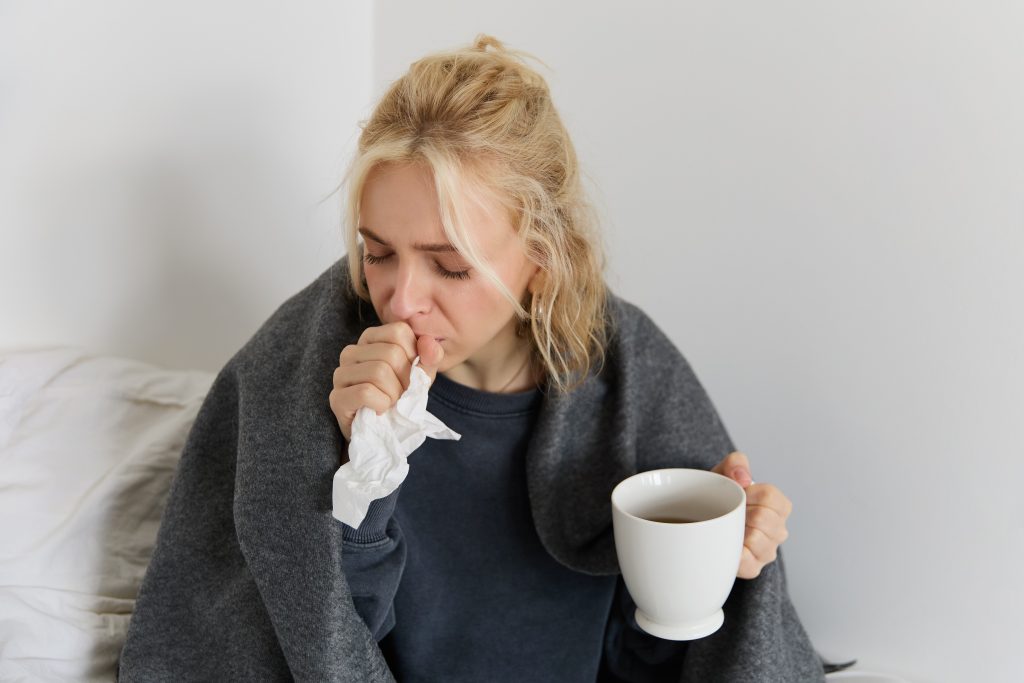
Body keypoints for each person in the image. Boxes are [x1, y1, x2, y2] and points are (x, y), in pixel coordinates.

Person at [119, 35, 824, 682]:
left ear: (544, 259)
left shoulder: (629, 376)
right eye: (378, 252)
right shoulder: (298, 371)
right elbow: (307, 645)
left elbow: (646, 660)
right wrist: (359, 489)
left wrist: (721, 564)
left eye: (448, 266)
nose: (400, 300)